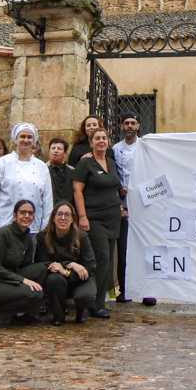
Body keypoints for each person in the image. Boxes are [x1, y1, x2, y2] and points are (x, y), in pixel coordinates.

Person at [0, 199, 49, 327]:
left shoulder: (28, 239)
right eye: (22, 212)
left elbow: (25, 267)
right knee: (35, 293)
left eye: (30, 213)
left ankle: (24, 314)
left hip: (6, 279)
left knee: (42, 269)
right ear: (14, 215)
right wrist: (22, 280)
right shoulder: (3, 234)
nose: (26, 216)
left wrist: (51, 265)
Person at [73, 128, 122, 318]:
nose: (101, 141)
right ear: (91, 142)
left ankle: (100, 300)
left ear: (108, 142)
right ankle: (93, 303)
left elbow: (114, 187)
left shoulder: (110, 162)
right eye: (97, 138)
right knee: (100, 259)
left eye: (104, 138)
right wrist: (82, 216)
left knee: (108, 261)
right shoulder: (85, 163)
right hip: (95, 218)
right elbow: (77, 191)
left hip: (113, 219)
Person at [111, 112, 157, 306]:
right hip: (122, 203)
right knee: (124, 249)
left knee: (146, 247)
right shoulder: (115, 149)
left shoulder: (145, 146)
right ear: (122, 126)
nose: (129, 126)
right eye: (126, 123)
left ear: (138, 126)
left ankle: (149, 290)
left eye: (133, 123)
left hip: (143, 203)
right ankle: (125, 289)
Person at [0, 123, 53, 237]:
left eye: (29, 137)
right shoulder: (3, 163)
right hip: (5, 223)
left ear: (34, 141)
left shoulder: (41, 167)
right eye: (22, 136)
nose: (26, 140)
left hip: (33, 226)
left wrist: (46, 224)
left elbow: (47, 197)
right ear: (15, 140)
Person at [37, 201, 97, 325]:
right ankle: (58, 316)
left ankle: (81, 311)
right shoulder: (43, 237)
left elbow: (90, 266)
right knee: (54, 279)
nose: (63, 218)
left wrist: (66, 268)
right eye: (59, 214)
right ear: (53, 218)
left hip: (80, 278)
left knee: (85, 296)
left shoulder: (82, 236)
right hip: (57, 278)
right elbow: (42, 262)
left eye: (67, 215)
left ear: (72, 219)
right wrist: (69, 265)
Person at [46, 137, 74, 207]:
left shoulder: (73, 171)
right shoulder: (42, 170)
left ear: (65, 154)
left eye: (59, 148)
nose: (55, 151)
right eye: (53, 148)